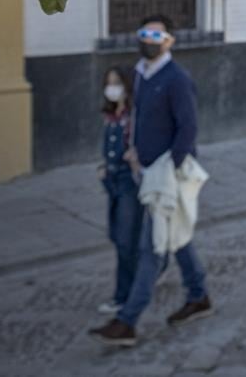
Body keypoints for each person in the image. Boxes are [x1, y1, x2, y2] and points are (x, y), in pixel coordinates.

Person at [90, 15, 211, 347]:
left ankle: (127, 321)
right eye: (144, 34)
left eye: (156, 36)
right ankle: (199, 295)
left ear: (169, 41)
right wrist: (133, 152)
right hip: (144, 170)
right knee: (178, 239)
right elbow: (139, 119)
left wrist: (170, 168)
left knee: (151, 247)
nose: (149, 40)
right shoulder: (141, 75)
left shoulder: (176, 79)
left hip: (166, 174)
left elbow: (187, 128)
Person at [96, 66, 143, 316]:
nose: (111, 88)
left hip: (129, 181)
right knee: (117, 235)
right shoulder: (111, 115)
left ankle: (123, 296)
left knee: (125, 240)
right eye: (108, 83)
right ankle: (155, 263)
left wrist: (136, 156)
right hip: (112, 179)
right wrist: (104, 167)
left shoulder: (134, 117)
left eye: (117, 83)